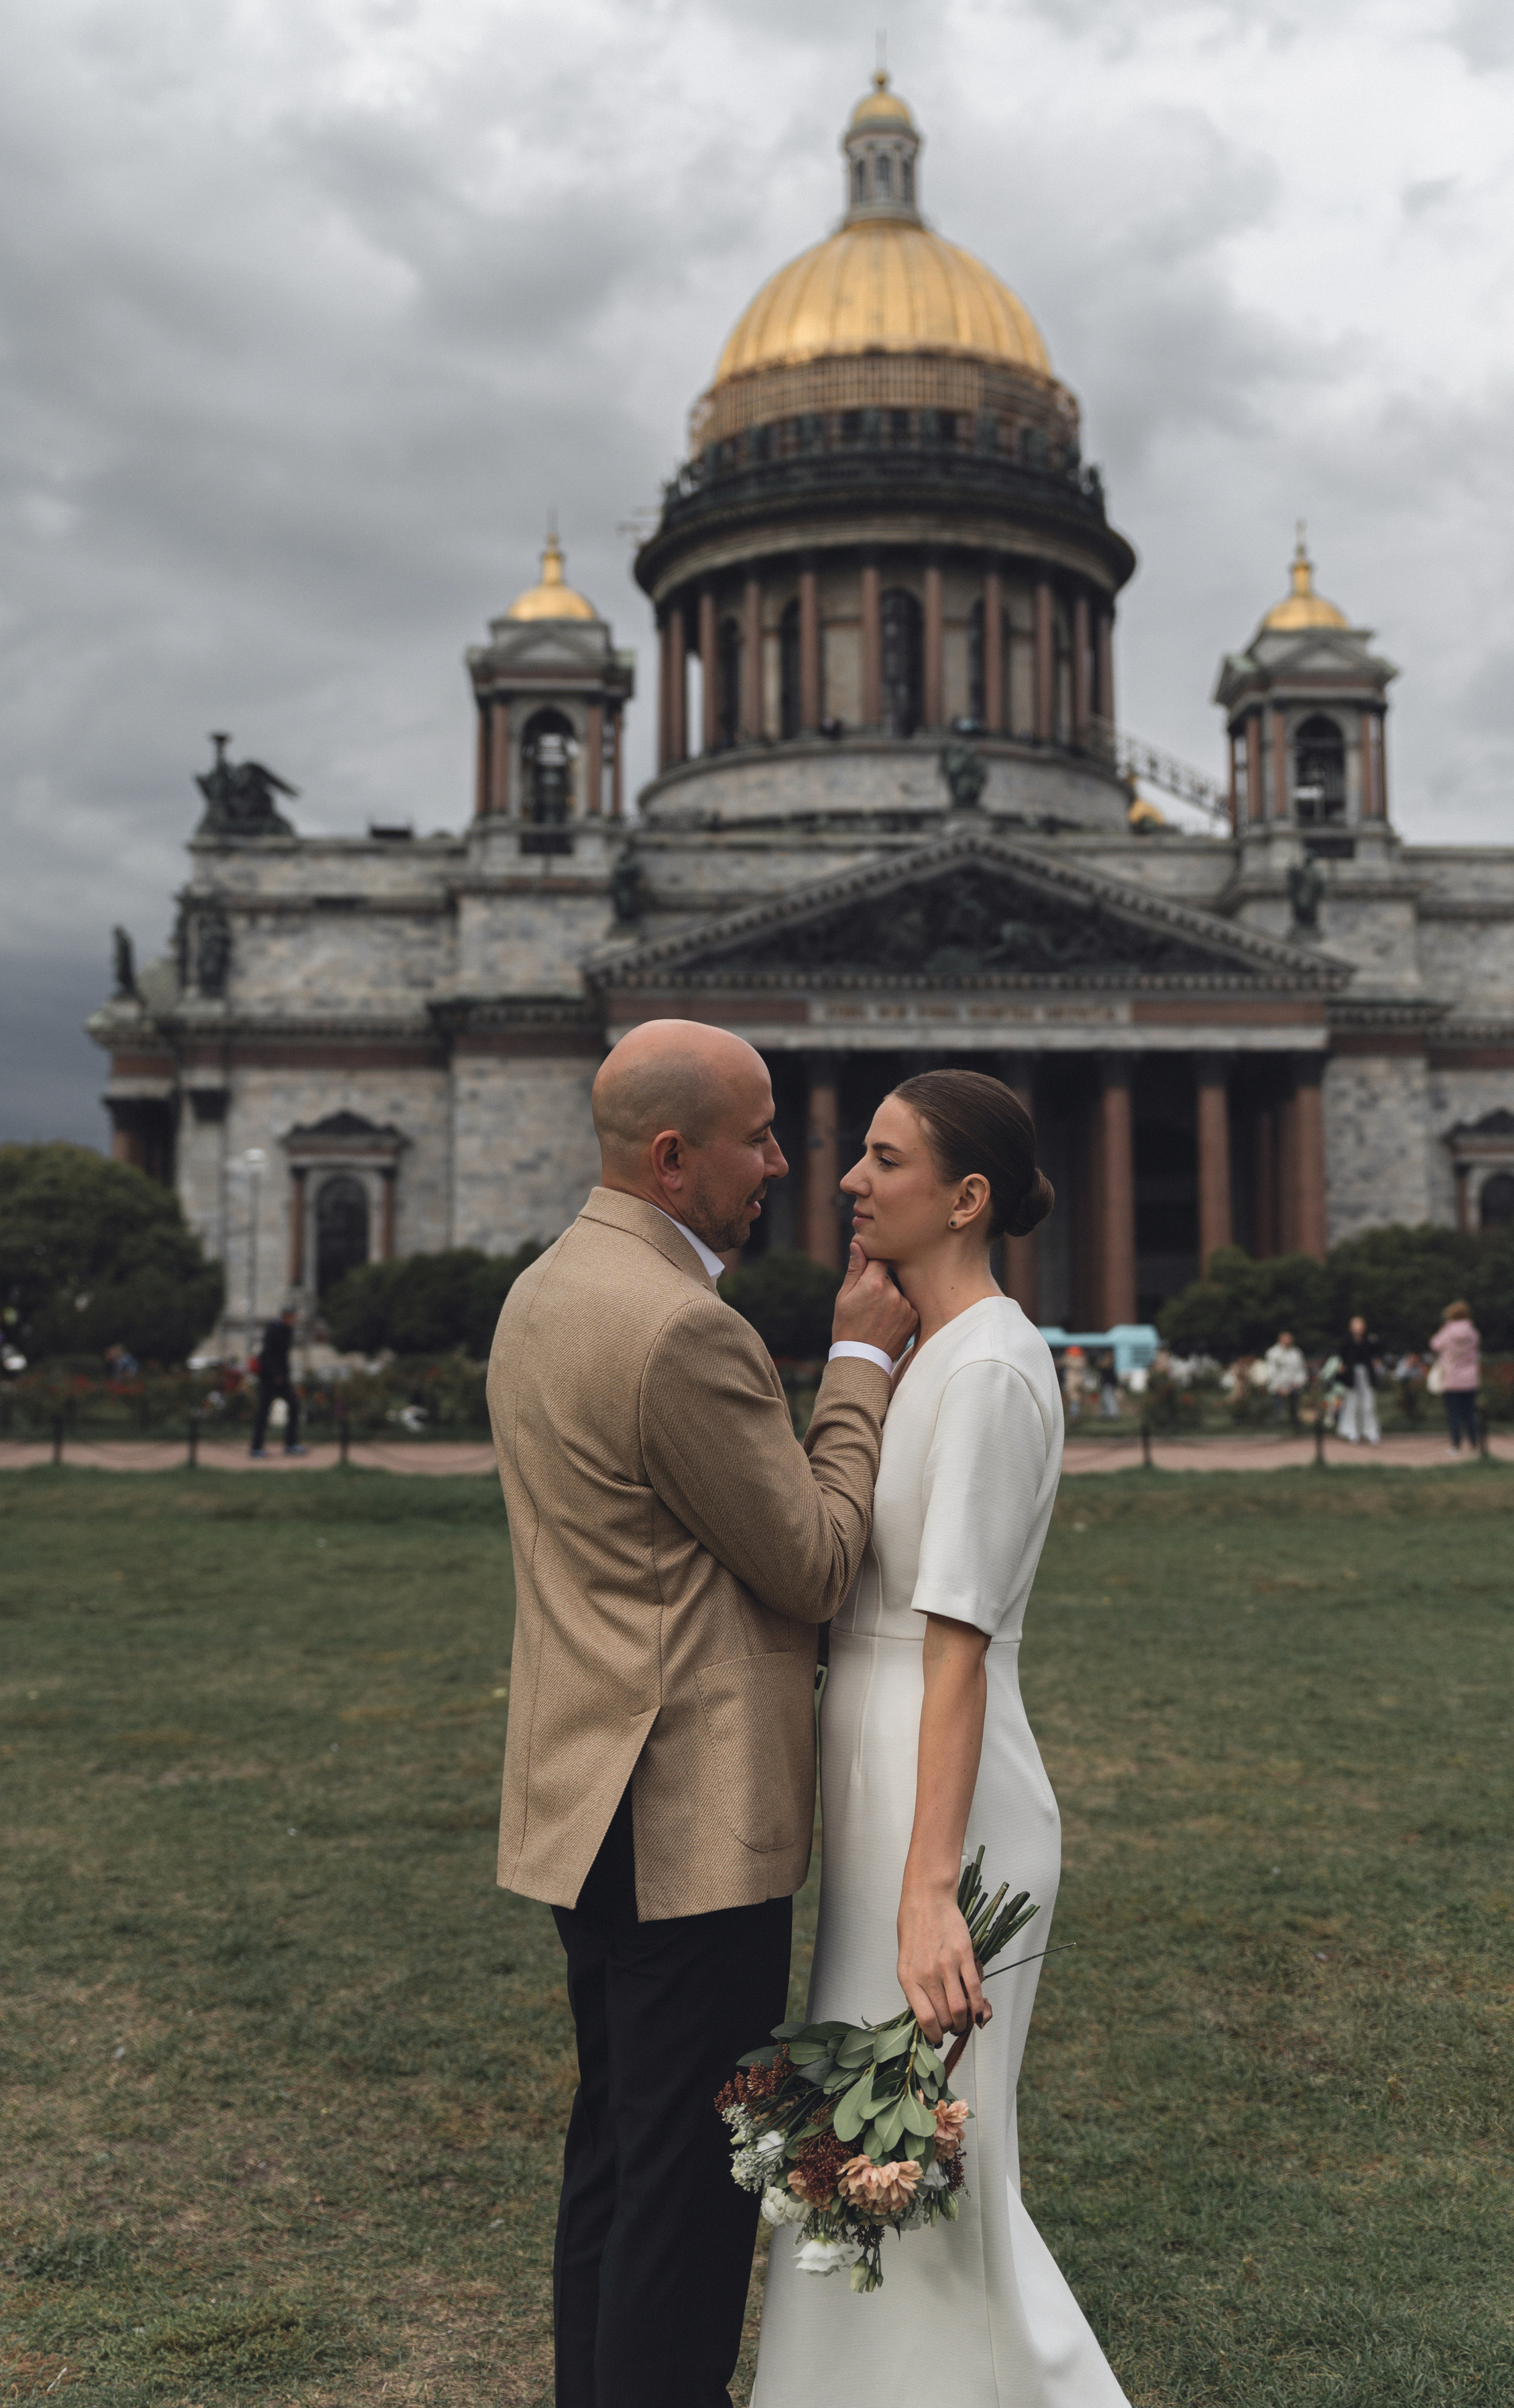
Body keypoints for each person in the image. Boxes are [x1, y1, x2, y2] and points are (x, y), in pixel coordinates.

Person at [487, 1019, 915, 2408]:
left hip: (582, 1796)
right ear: (673, 1158)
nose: (785, 1164)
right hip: (687, 1814)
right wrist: (855, 1366)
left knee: (617, 2156)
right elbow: (806, 1557)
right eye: (758, 1136)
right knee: (687, 2192)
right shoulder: (683, 1326)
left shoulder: (547, 1289)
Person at [754, 1069, 1129, 2406]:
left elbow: (956, 1642)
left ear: (965, 1198)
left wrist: (927, 1893)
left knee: (924, 2165)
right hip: (890, 1786)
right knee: (865, 2159)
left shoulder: (987, 1367)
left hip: (946, 1806)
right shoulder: (931, 1355)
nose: (848, 1179)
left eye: (884, 1158)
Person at [248, 1306, 305, 1457]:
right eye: (292, 1317)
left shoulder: (289, 1331)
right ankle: (256, 1447)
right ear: (286, 1316)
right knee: (264, 1411)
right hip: (268, 1377)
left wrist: (284, 1375)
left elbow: (283, 1357)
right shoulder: (273, 1329)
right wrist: (276, 1375)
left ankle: (291, 1443)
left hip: (282, 1377)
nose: (294, 1320)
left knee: (294, 1405)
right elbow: (268, 1355)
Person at [1431, 1299, 1482, 1453]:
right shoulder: (1472, 1332)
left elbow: (1435, 1345)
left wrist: (1442, 1331)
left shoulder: (1447, 1331)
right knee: (1470, 1414)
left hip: (1452, 1378)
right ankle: (1474, 1445)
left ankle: (1455, 1446)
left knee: (1454, 1414)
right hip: (1470, 1378)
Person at [1336, 1314, 1381, 1444]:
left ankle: (1370, 1431)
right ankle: (1350, 1431)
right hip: (1351, 1377)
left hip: (1367, 1376)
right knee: (1351, 1404)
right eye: (1355, 1326)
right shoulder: (1347, 1342)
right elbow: (1343, 1359)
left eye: (1360, 1326)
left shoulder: (1370, 1340)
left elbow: (1376, 1356)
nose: (1358, 1329)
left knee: (1368, 1404)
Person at [1260, 1328, 1308, 1428]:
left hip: (1294, 1386)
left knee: (1294, 1408)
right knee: (1278, 1409)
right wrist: (1279, 1387)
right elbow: (1271, 1372)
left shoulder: (1296, 1353)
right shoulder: (1273, 1353)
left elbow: (1301, 1369)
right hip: (1278, 1387)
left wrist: (1299, 1382)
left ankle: (1294, 1426)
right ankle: (1277, 1426)